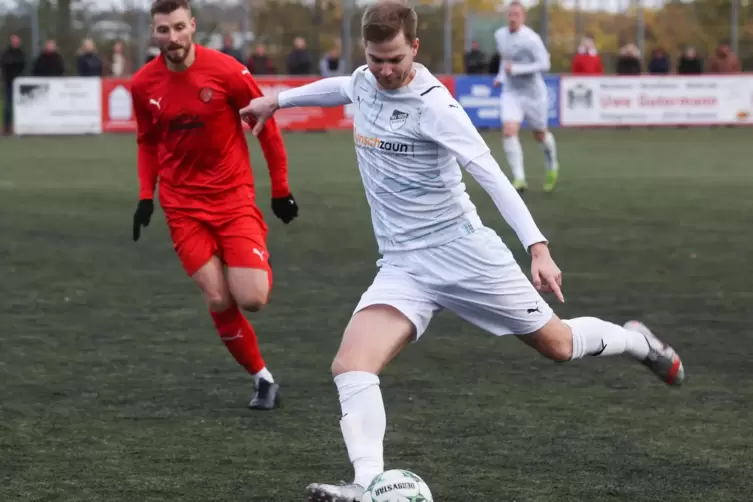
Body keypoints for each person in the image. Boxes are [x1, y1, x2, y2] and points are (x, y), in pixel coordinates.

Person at [241, 1, 684, 500]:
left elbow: (490, 175)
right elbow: (339, 87)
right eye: (375, 58)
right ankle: (367, 484)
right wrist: (275, 101)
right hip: (403, 266)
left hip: (465, 254)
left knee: (558, 345)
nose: (385, 71)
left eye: (394, 60)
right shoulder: (365, 80)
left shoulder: (435, 106)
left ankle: (637, 341)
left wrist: (537, 247)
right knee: (351, 365)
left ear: (414, 47)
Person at [131, 0, 298, 410]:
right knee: (219, 298)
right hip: (181, 205)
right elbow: (147, 143)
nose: (172, 38)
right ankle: (263, 380)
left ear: (192, 25)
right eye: (162, 31)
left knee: (253, 298)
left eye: (178, 27)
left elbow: (266, 128)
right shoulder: (142, 86)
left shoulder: (227, 71)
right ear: (154, 33)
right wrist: (144, 197)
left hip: (232, 198)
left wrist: (280, 188)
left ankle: (243, 251)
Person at [494, 1, 559, 193]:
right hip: (511, 92)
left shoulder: (531, 39)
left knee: (540, 135)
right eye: (510, 14)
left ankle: (552, 165)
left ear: (523, 17)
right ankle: (519, 178)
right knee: (508, 130)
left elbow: (544, 64)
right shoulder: (500, 35)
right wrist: (500, 77)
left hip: (533, 94)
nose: (512, 17)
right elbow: (505, 61)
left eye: (516, 14)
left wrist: (517, 69)